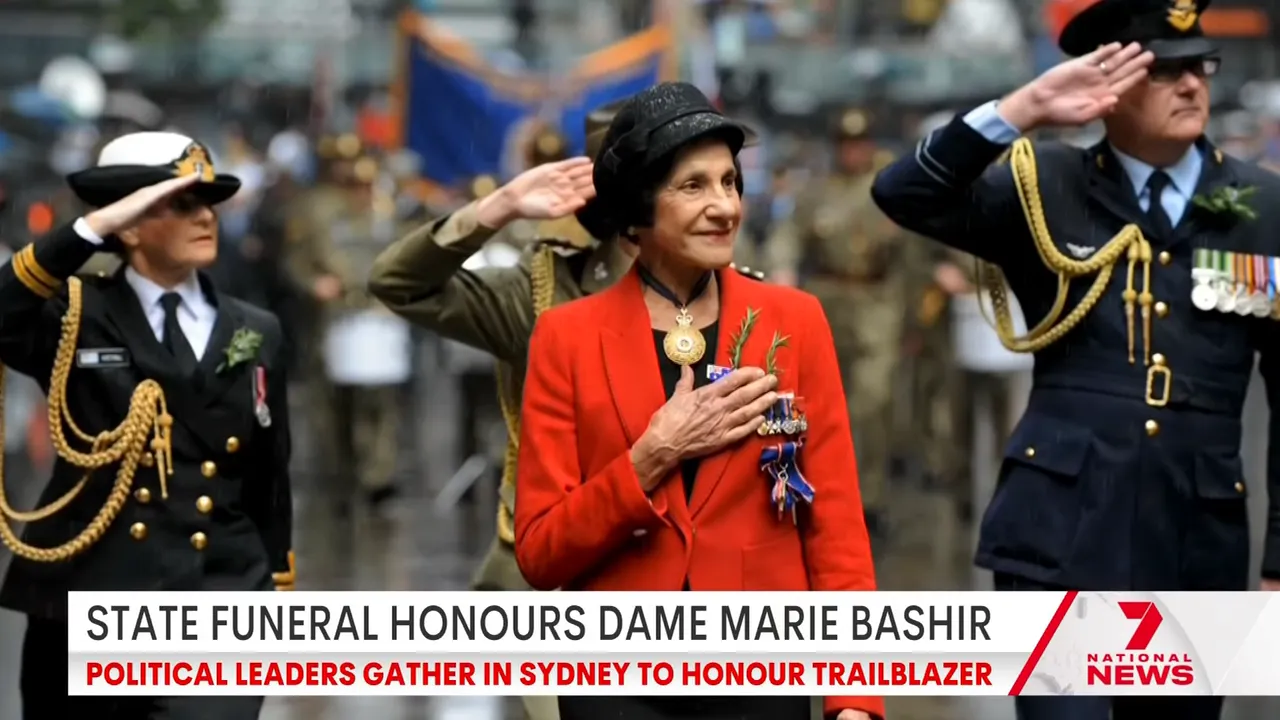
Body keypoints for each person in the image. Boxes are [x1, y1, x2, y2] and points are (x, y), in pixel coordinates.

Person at [871, 0, 1279, 718]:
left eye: (1200, 68)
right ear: (1107, 85)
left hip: (1195, 542)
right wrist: (1023, 108)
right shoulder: (1044, 185)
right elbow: (904, 192)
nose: (1192, 86)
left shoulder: (1262, 206)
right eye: (1165, 71)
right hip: (1062, 531)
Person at [512, 81, 880, 720]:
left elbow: (836, 524)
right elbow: (541, 551)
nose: (724, 206)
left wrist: (856, 697)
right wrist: (648, 460)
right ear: (637, 210)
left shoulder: (793, 321)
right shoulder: (565, 338)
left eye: (730, 182)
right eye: (693, 186)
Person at [0, 131, 293, 719]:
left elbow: (268, 473)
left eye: (209, 201)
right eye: (179, 202)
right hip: (91, 595)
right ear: (127, 224)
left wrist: (276, 585)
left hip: (216, 593)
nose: (205, 216)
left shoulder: (255, 329)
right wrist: (87, 233)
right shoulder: (76, 311)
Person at [366, 102, 634, 720]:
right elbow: (400, 284)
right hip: (561, 578)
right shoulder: (543, 289)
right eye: (684, 178)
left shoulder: (743, 299)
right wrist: (495, 210)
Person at [764, 107, 915, 539]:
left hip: (877, 303)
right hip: (828, 302)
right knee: (821, 405)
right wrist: (783, 272)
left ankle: (870, 498)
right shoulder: (815, 193)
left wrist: (914, 318)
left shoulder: (888, 188)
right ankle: (823, 491)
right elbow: (788, 237)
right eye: (846, 145)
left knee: (872, 403)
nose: (853, 152)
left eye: (860, 143)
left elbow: (912, 256)